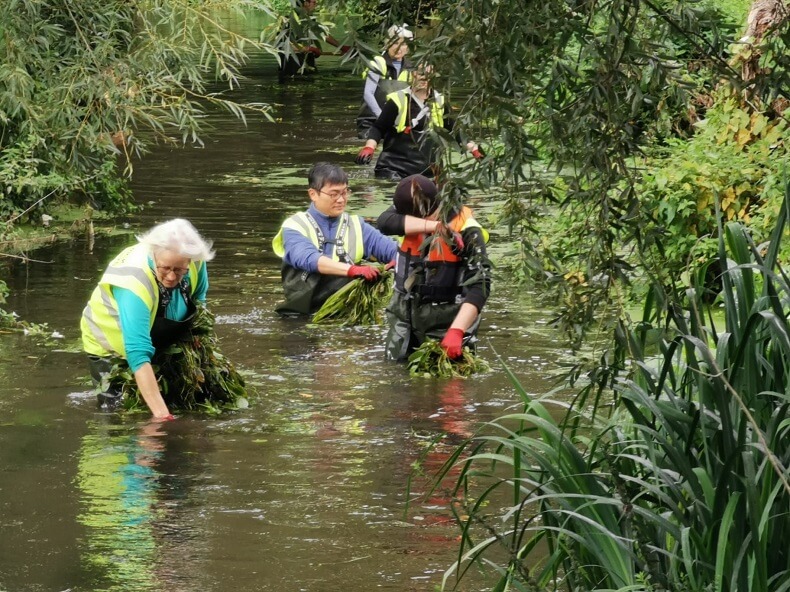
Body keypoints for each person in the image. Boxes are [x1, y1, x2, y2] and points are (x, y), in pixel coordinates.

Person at [81, 218, 215, 420]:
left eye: (179, 270)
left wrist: (197, 343)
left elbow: (200, 301)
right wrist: (163, 418)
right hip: (112, 349)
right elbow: (137, 353)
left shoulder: (195, 261)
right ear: (154, 255)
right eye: (165, 268)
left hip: (162, 339)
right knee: (118, 413)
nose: (171, 277)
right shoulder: (133, 284)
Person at [376, 174, 491, 361]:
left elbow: (481, 284)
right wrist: (436, 226)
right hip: (404, 319)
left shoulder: (468, 230)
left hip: (447, 321)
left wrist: (457, 331)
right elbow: (384, 222)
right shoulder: (408, 212)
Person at [272, 162, 398, 315]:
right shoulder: (295, 226)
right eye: (333, 194)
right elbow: (309, 259)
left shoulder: (357, 226)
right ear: (313, 194)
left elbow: (393, 251)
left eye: (345, 192)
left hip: (345, 312)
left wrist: (399, 259)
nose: (341, 200)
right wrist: (353, 270)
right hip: (299, 315)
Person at [355, 65, 483, 181]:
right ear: (413, 74)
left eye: (429, 75)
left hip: (429, 171)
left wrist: (474, 149)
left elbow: (454, 130)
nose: (424, 78)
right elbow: (379, 127)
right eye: (421, 73)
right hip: (395, 169)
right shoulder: (398, 100)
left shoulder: (440, 101)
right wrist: (369, 147)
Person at [356, 24, 414, 139]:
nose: (398, 48)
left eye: (403, 44)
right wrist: (383, 119)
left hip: (397, 123)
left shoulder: (411, 68)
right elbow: (368, 93)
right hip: (372, 121)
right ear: (387, 44)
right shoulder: (378, 62)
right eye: (395, 43)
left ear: (407, 48)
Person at [276, 0, 350, 81]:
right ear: (305, 3)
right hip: (291, 63)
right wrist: (311, 49)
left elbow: (322, 34)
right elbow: (285, 46)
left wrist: (341, 47)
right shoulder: (288, 22)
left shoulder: (310, 21)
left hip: (307, 61)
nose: (316, 5)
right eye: (314, 2)